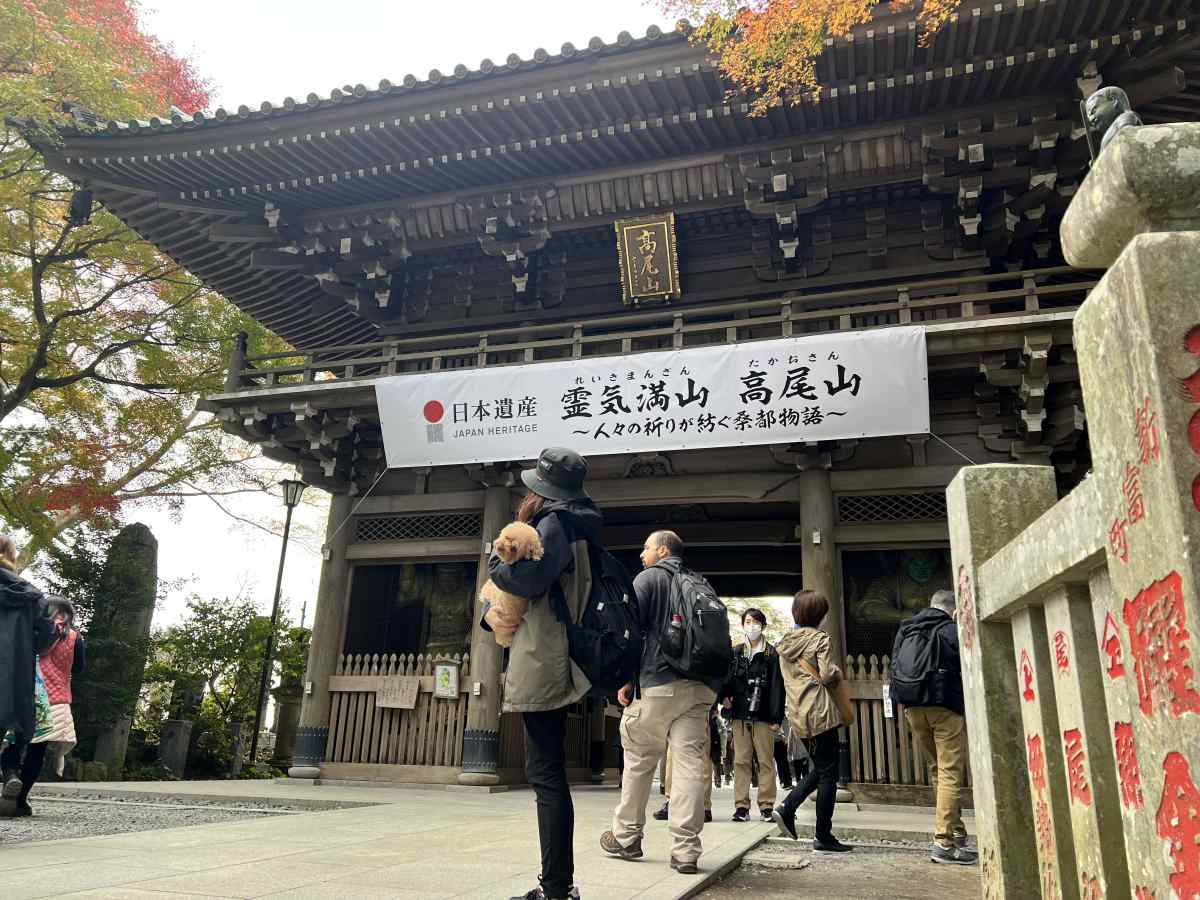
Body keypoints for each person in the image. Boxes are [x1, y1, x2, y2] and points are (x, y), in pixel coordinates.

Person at [484, 447, 600, 900]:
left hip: (544, 655)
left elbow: (524, 582)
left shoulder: (554, 524)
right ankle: (557, 886)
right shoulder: (578, 523)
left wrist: (494, 561)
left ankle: (556, 890)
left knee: (546, 775)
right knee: (548, 774)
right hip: (552, 651)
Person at [601, 531, 722, 875]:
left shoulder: (649, 579)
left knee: (639, 758)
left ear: (663, 550)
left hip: (659, 681)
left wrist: (626, 679)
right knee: (688, 767)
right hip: (700, 689)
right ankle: (686, 851)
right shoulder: (701, 582)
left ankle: (626, 837)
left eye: (646, 547)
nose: (642, 553)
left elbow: (628, 631)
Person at [892, 589, 975, 865]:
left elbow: (895, 665)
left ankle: (957, 831)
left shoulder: (907, 628)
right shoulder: (951, 629)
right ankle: (943, 841)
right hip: (945, 708)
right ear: (952, 610)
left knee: (937, 769)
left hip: (913, 708)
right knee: (950, 771)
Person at [771, 590, 852, 853]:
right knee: (829, 774)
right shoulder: (820, 639)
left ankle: (789, 807)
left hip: (797, 714)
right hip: (820, 712)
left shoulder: (784, 644)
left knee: (822, 767)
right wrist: (837, 673)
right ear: (821, 616)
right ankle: (822, 834)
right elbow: (827, 675)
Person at [1, 596, 84, 817]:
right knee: (37, 751)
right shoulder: (75, 638)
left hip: (26, 696)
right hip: (56, 701)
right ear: (69, 614)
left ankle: (10, 775)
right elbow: (79, 668)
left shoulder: (33, 631)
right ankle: (20, 802)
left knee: (14, 742)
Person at [0, 535, 54, 818]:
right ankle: (9, 771)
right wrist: (28, 649)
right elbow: (47, 634)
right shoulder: (31, 595)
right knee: (11, 730)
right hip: (13, 674)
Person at [722, 608, 785, 822]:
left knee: (766, 761)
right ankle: (741, 806)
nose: (752, 626)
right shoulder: (736, 652)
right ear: (743, 625)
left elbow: (777, 687)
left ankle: (767, 806)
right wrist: (724, 697)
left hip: (764, 715)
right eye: (748, 621)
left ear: (763, 626)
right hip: (739, 713)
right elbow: (726, 679)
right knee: (741, 761)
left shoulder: (772, 654)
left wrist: (776, 718)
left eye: (756, 622)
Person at [654, 704, 719, 823]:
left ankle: (704, 806)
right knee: (671, 758)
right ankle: (671, 802)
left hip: (700, 705)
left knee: (702, 758)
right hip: (676, 705)